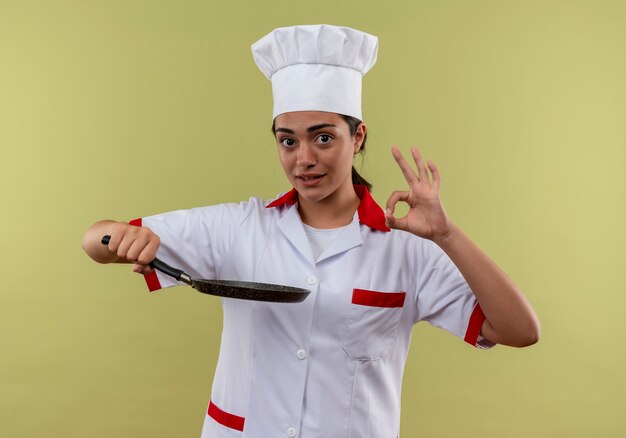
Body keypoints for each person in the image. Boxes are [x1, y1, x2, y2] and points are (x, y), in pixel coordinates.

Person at [82, 24, 540, 438]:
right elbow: (96, 239)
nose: (303, 158)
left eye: (323, 137)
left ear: (357, 137)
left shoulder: (407, 249)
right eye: (288, 140)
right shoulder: (239, 227)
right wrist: (118, 239)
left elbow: (520, 330)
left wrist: (447, 235)